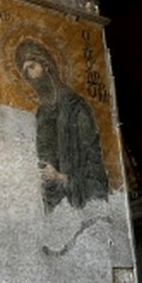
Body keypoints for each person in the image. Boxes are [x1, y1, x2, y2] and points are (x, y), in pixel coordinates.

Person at [15, 39, 108, 211]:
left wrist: (63, 178)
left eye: (32, 66)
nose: (30, 76)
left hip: (80, 203)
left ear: (46, 65)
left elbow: (94, 167)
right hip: (55, 205)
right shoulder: (42, 114)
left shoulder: (76, 108)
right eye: (25, 72)